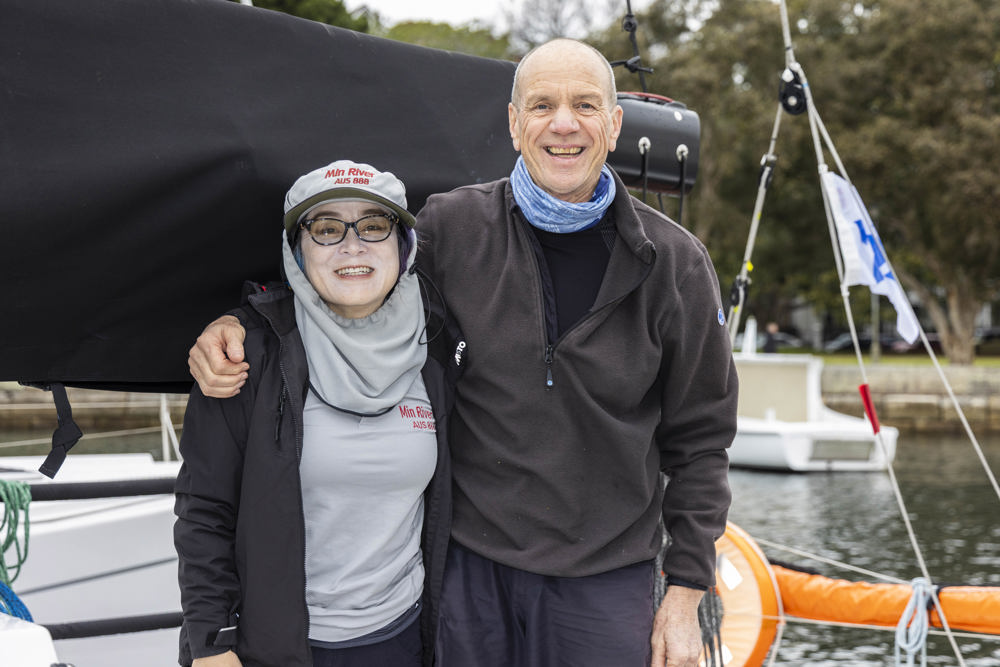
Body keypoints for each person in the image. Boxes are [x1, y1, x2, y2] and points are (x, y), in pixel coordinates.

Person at [189, 39, 738, 667]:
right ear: (513, 123)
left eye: (585, 105)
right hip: (467, 574)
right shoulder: (451, 228)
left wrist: (685, 594)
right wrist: (235, 324)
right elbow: (349, 275)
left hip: (606, 579)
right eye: (542, 105)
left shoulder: (677, 265)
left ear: (614, 126)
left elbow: (701, 442)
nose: (564, 124)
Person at [174, 160, 464, 667]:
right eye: (327, 229)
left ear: (404, 244)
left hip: (402, 638)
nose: (352, 246)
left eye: (374, 226)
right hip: (275, 647)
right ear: (297, 252)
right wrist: (211, 642)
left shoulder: (439, 345)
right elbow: (204, 511)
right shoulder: (248, 354)